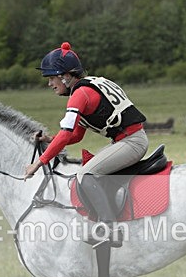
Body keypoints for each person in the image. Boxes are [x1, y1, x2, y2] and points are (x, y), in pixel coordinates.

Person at [23, 42, 149, 242]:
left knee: (85, 175)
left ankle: (109, 229)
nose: (49, 84)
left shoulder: (79, 95)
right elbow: (76, 135)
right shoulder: (87, 87)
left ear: (65, 76)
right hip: (127, 140)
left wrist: (39, 163)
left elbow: (66, 135)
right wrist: (49, 139)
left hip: (131, 142)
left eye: (52, 78)